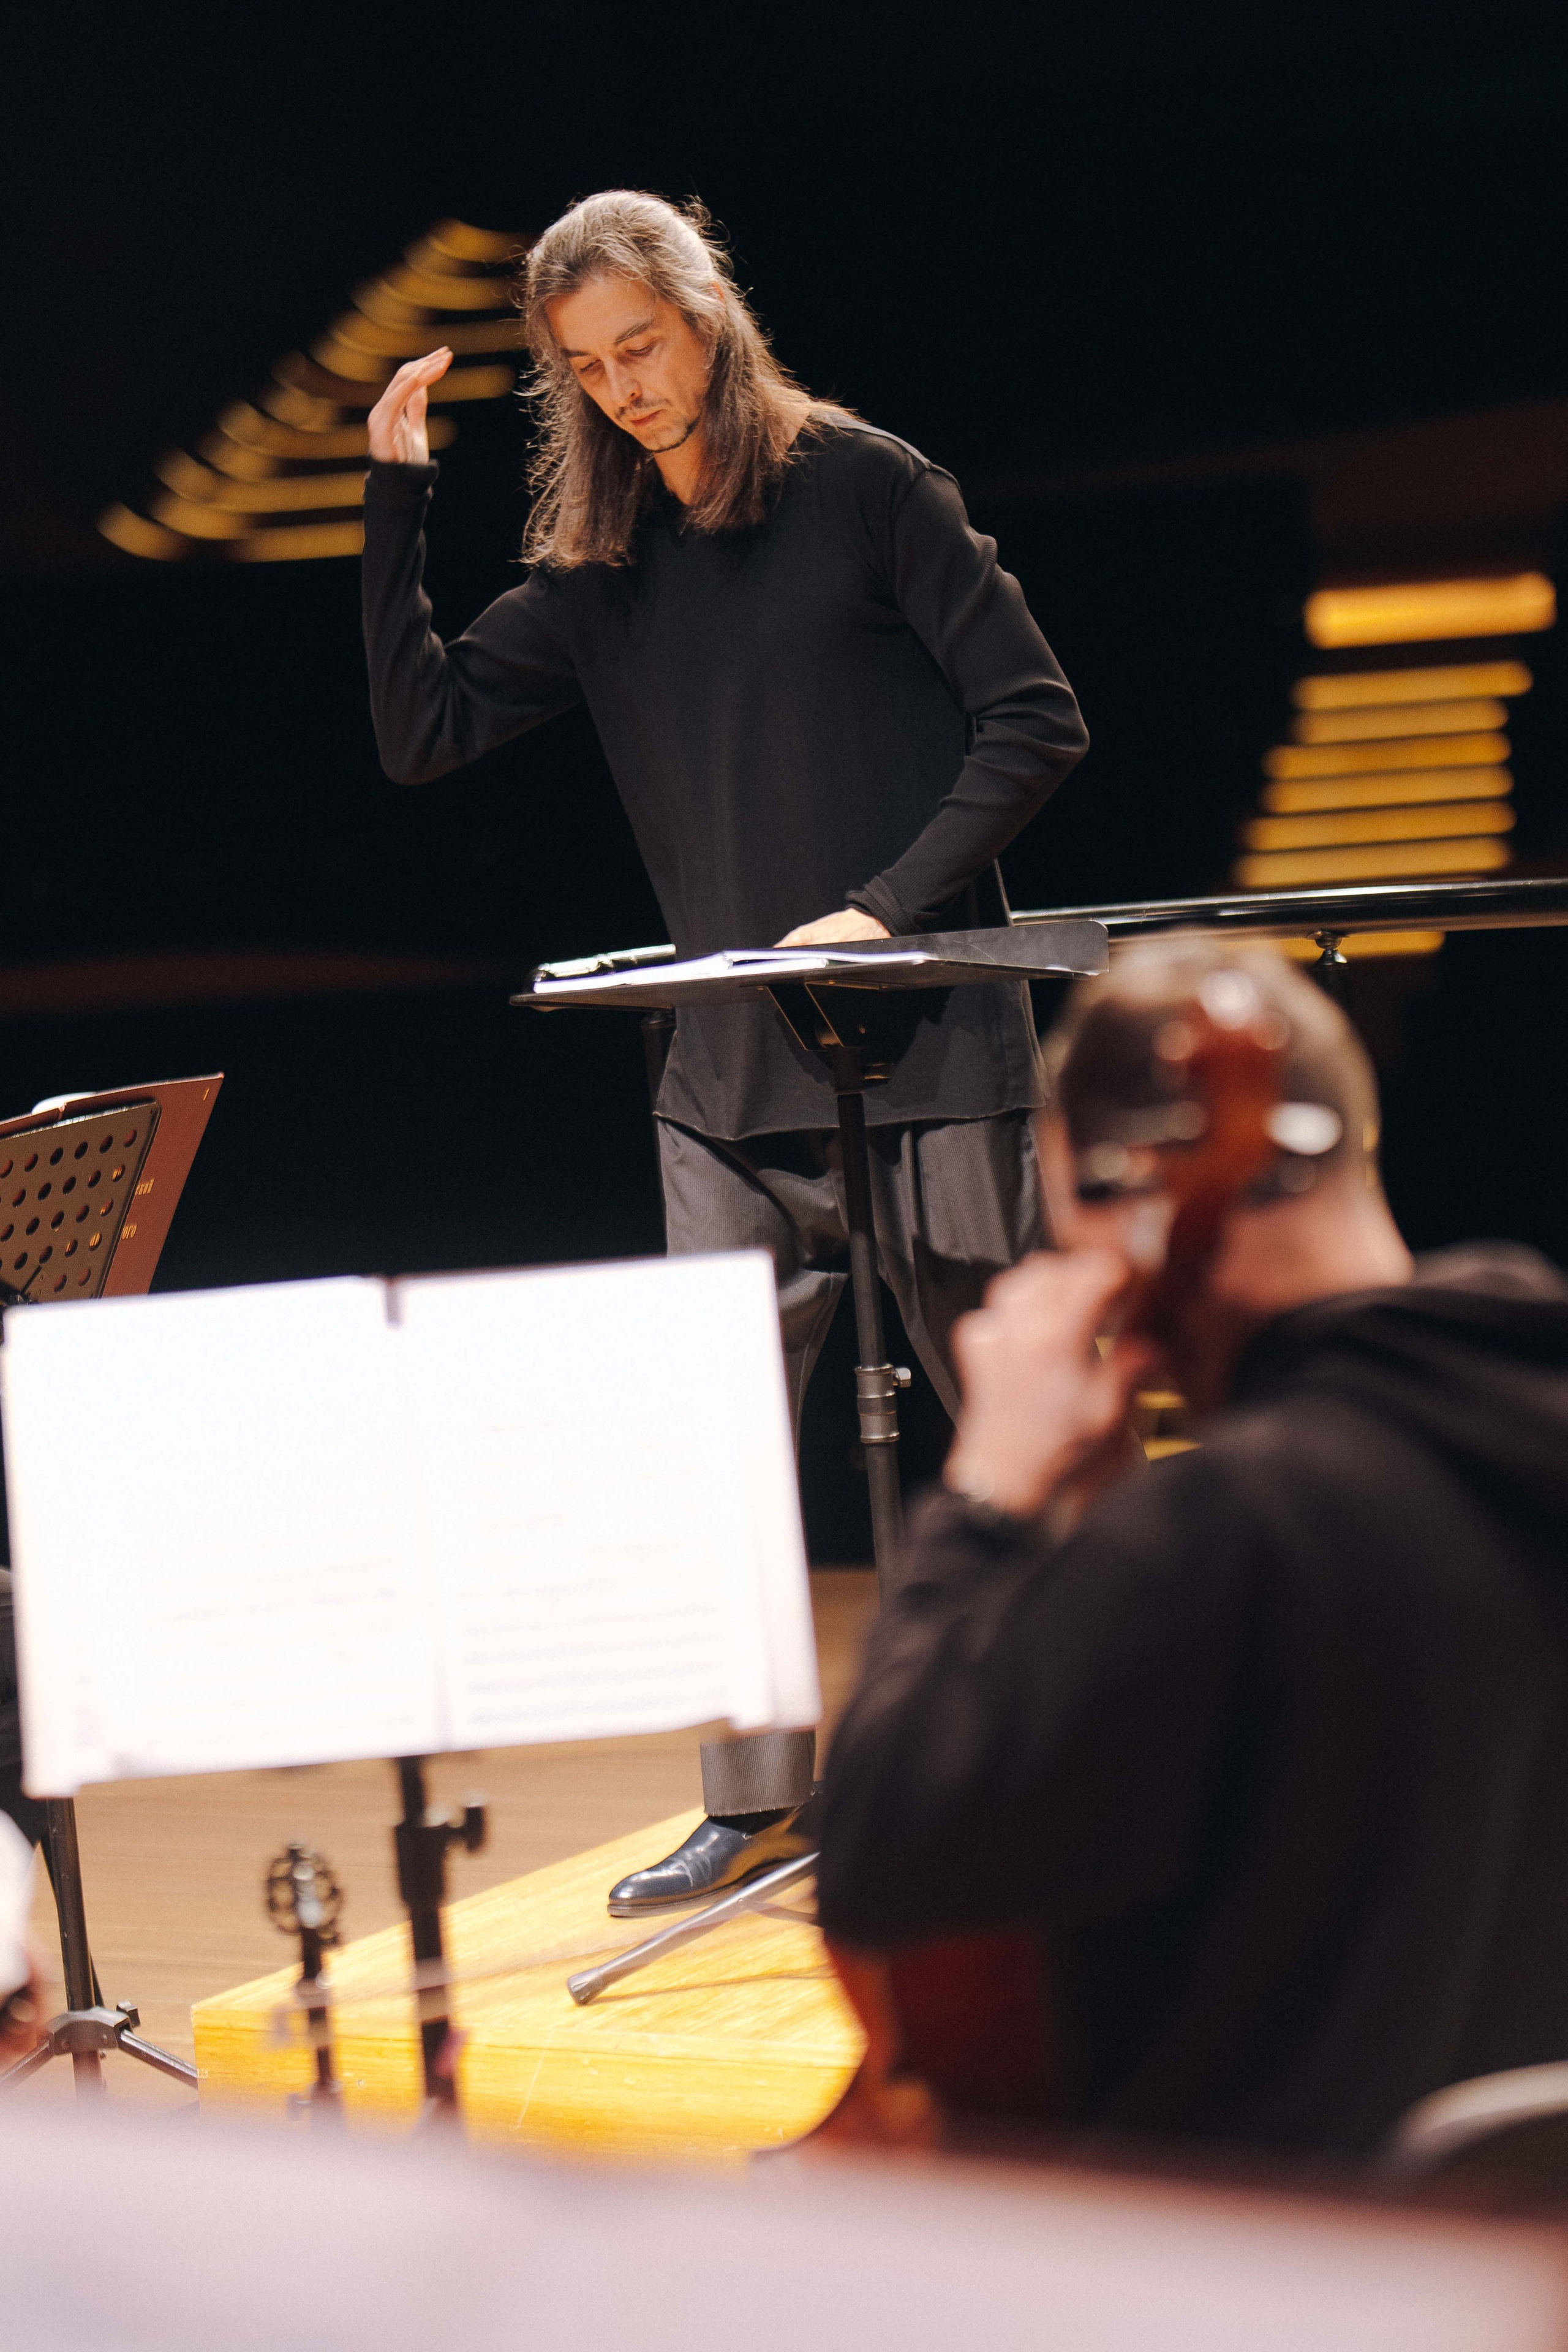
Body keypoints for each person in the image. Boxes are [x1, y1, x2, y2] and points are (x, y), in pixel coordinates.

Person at [361, 190, 1088, 1913]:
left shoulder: (865, 486)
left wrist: (885, 906)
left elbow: (1037, 716)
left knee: (1013, 1430)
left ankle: (1053, 1763)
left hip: (926, 1051)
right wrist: (396, 499)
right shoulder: (603, 572)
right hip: (722, 1082)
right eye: (588, 370)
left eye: (644, 347)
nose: (626, 389)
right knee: (717, 1458)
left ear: (707, 317)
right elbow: (425, 730)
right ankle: (758, 1800)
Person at [816, 940, 1568, 2158]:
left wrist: (989, 1491)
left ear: (1141, 1203)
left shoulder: (1231, 1526)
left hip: (1276, 2281)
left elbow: (877, 1856)